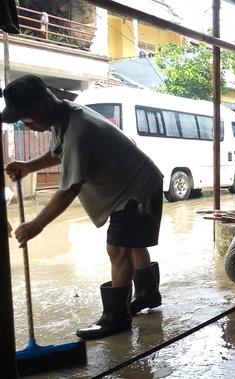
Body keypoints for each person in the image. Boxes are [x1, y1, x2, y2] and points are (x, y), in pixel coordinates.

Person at [2, 75, 163, 340]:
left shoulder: (79, 129)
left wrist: (37, 224)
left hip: (137, 189)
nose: (25, 123)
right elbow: (60, 152)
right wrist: (29, 166)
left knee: (118, 248)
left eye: (25, 116)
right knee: (132, 243)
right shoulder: (65, 116)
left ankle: (116, 317)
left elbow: (69, 189)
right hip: (129, 187)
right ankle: (147, 294)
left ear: (43, 105)